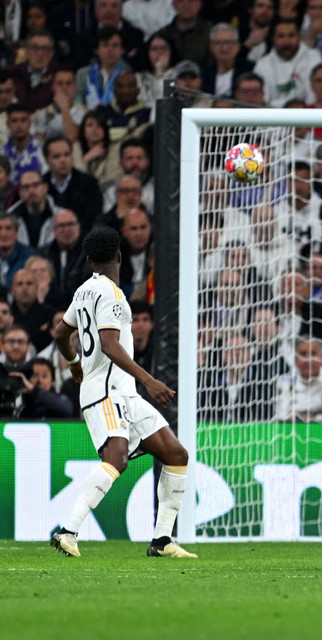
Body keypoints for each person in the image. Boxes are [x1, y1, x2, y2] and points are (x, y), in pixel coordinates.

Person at [50, 225, 195, 559]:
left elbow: (60, 333)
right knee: (116, 459)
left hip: (123, 393)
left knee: (176, 454)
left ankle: (162, 540)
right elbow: (110, 344)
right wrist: (150, 381)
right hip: (107, 392)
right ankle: (68, 531)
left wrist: (74, 362)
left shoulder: (84, 291)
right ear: (119, 256)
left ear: (90, 260)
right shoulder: (111, 294)